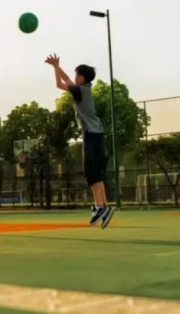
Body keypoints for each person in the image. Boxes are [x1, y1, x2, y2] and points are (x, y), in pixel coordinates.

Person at [46, 54, 115, 229]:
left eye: (77, 74)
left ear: (82, 77)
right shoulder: (84, 90)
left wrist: (56, 66)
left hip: (91, 135)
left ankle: (100, 207)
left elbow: (63, 82)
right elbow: (64, 83)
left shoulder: (80, 90)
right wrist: (56, 67)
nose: (75, 76)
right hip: (98, 134)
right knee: (97, 173)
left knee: (90, 172)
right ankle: (104, 207)